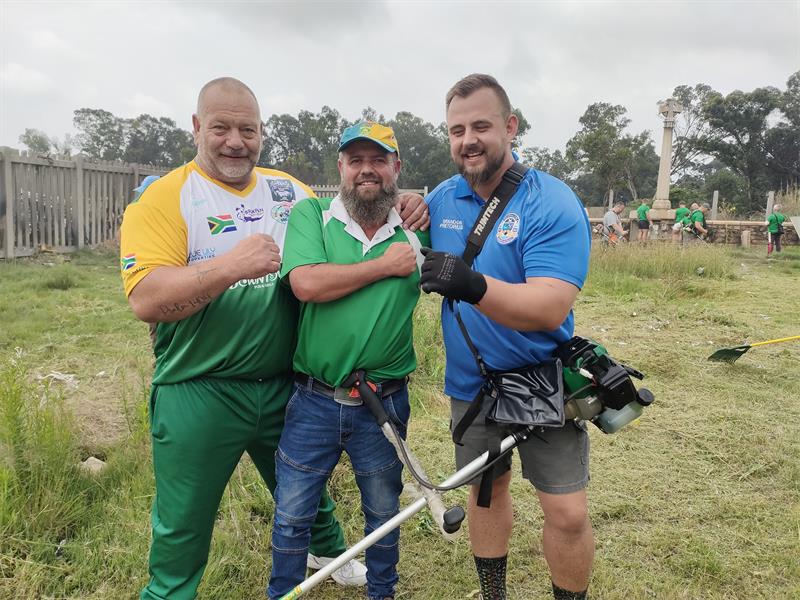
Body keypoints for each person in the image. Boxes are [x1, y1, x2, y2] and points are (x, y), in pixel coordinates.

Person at [119, 78, 428, 600]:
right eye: (221, 128)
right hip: (201, 385)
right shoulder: (166, 196)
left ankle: (329, 554)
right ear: (197, 128)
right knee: (183, 518)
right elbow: (145, 299)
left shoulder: (289, 191)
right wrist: (229, 267)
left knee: (303, 487)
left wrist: (411, 203)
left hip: (287, 380)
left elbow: (357, 205)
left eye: (247, 129)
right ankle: (169, 591)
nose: (235, 141)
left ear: (262, 132)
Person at [420, 74, 592, 600]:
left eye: (480, 126)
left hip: (541, 379)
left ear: (510, 127)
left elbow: (549, 306)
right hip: (471, 384)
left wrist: (470, 284)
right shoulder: (440, 199)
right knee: (486, 491)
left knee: (565, 511)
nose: (467, 140)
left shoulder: (551, 201)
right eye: (456, 130)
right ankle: (493, 593)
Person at [268, 122, 428, 600]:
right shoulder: (312, 216)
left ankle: (383, 593)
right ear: (340, 167)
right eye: (355, 160)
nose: (366, 170)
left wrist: (425, 203)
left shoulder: (418, 226)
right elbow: (307, 285)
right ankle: (283, 593)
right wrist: (385, 264)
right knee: (293, 513)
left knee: (384, 511)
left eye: (378, 160)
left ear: (396, 168)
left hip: (384, 400)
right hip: (314, 400)